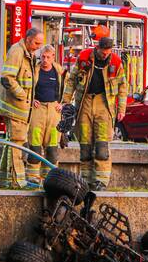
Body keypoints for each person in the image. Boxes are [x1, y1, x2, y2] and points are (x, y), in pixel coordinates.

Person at [62, 36, 128, 188]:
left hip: (104, 104)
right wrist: (66, 101)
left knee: (102, 146)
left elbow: (123, 87)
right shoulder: (84, 57)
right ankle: (86, 180)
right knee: (85, 144)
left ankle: (101, 181)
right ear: (97, 48)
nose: (105, 55)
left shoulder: (116, 63)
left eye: (108, 52)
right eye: (103, 52)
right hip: (85, 102)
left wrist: (121, 109)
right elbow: (72, 80)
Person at [0, 28, 43, 188]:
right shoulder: (17, 52)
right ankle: (18, 182)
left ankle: (2, 180)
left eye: (40, 44)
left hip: (22, 109)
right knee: (17, 144)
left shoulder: (30, 54)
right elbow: (7, 78)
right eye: (36, 43)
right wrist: (22, 95)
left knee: (12, 143)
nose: (38, 46)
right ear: (28, 39)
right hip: (15, 107)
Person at [25, 47, 65, 185]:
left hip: (54, 110)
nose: (45, 60)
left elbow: (68, 87)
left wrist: (63, 103)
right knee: (35, 144)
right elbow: (26, 87)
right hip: (38, 109)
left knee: (52, 146)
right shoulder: (34, 70)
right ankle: (32, 177)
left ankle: (50, 177)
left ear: (53, 57)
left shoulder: (59, 71)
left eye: (48, 57)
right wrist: (31, 99)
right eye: (43, 57)